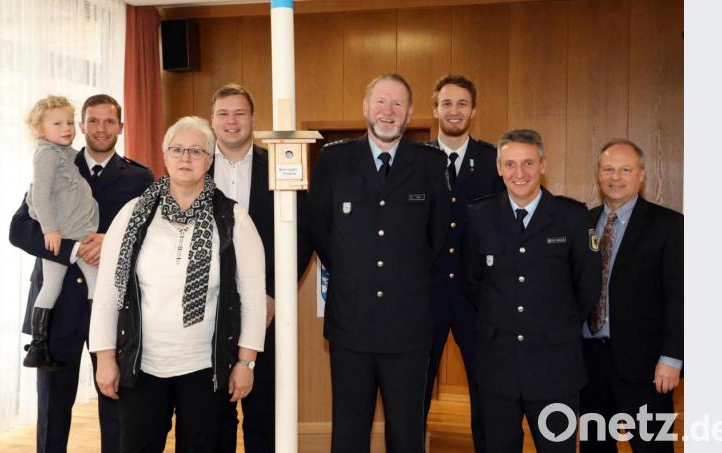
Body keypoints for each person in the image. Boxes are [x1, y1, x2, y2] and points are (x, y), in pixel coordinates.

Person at [89, 116, 267, 452]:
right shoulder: (132, 215)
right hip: (142, 365)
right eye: (178, 149)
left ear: (210, 160)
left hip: (206, 368)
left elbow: (253, 300)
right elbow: (108, 292)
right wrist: (105, 358)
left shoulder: (233, 219)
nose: (186, 158)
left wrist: (246, 363)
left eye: (196, 151)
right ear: (165, 155)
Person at [308, 73, 451, 452]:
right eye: (381, 102)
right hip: (351, 321)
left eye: (398, 104)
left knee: (406, 431)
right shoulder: (334, 159)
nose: (388, 112)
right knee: (349, 429)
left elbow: (437, 239)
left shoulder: (430, 164)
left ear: (411, 113)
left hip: (409, 324)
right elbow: (320, 230)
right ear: (366, 107)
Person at [9, 94, 154, 453]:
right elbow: (20, 229)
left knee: (115, 403)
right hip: (58, 309)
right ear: (82, 125)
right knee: (52, 411)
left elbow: (153, 237)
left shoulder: (139, 177)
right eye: (93, 120)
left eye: (109, 121)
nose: (101, 128)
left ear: (121, 126)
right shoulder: (54, 161)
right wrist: (73, 250)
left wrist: (113, 241)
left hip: (112, 306)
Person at [461, 129, 601, 453]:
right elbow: (471, 281)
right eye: (510, 164)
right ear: (498, 168)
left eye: (527, 163)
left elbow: (587, 285)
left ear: (543, 165)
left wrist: (554, 324)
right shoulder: (479, 216)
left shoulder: (572, 216)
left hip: (555, 366)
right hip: (497, 366)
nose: (519, 173)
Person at [210, 84, 312, 453]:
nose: (231, 121)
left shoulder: (282, 168)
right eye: (223, 114)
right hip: (207, 314)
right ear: (212, 121)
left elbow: (303, 235)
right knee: (213, 417)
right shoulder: (194, 168)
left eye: (239, 113)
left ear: (254, 120)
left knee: (264, 416)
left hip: (266, 310)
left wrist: (274, 294)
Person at [579, 139, 683, 452]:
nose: (616, 176)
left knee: (652, 447)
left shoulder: (670, 225)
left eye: (626, 169)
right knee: (595, 446)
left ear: (641, 175)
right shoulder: (582, 224)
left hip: (647, 367)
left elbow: (681, 296)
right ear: (598, 174)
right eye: (608, 169)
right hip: (588, 362)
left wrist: (672, 358)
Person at [424, 74, 503, 452]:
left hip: (479, 297)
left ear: (474, 110)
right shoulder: (418, 161)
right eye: (446, 104)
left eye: (462, 104)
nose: (454, 111)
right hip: (427, 296)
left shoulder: (494, 161)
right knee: (416, 388)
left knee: (487, 391)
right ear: (435, 109)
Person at [21, 95, 100, 371]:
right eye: (57, 123)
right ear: (41, 130)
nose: (67, 128)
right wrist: (50, 229)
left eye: (69, 122)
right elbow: (40, 196)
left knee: (98, 284)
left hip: (81, 232)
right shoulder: (46, 155)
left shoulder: (67, 153)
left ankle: (98, 336)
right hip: (63, 235)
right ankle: (38, 346)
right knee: (51, 286)